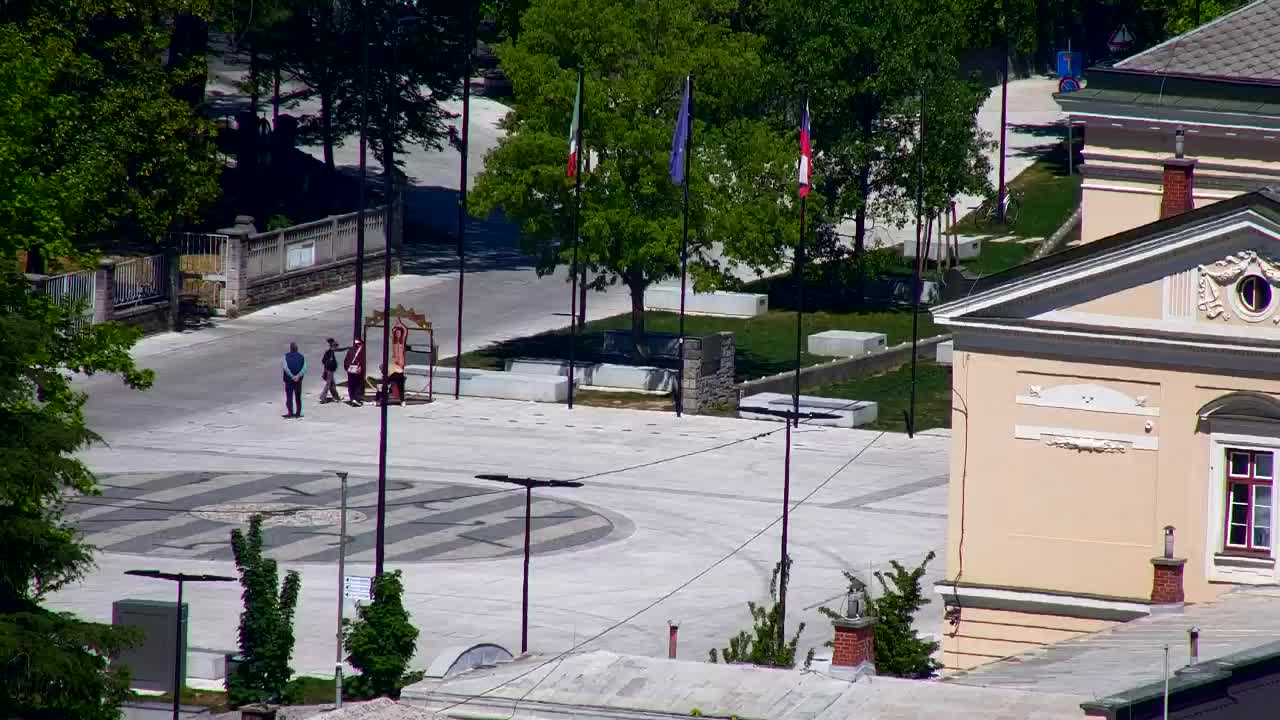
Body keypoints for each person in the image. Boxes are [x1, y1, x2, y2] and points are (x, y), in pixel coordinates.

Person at [282, 341, 307, 418]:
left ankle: (290, 412)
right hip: (298, 381)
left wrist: (292, 376)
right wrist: (298, 376)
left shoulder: (285, 356)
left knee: (289, 397)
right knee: (298, 396)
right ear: (297, 349)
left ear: (290, 349)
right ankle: (298, 413)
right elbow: (304, 368)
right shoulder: (302, 357)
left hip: (289, 380)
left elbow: (285, 368)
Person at [344, 337, 366, 406]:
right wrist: (361, 369)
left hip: (350, 370)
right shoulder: (361, 351)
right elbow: (362, 362)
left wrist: (347, 368)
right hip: (357, 370)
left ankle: (352, 398)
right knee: (358, 385)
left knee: (351, 385)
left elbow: (346, 360)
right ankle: (356, 399)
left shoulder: (350, 350)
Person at [320, 338, 341, 403]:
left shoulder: (328, 352)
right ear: (333, 346)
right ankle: (323, 397)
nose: (337, 347)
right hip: (329, 371)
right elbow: (328, 362)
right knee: (329, 384)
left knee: (332, 385)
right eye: (336, 346)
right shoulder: (330, 353)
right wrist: (332, 366)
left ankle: (336, 397)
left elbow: (323, 361)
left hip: (328, 370)